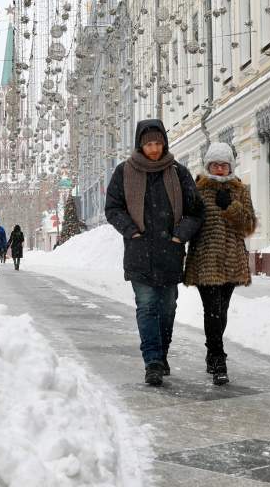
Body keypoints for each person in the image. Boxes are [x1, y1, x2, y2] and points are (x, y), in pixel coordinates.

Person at [105, 119, 204, 387]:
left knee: (168, 308)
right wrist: (131, 231)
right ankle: (153, 362)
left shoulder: (177, 172)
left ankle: (161, 354)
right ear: (141, 144)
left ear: (164, 143)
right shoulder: (124, 172)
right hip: (139, 253)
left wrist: (179, 235)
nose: (154, 149)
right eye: (149, 144)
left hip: (170, 252)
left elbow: (196, 211)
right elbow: (113, 208)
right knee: (147, 306)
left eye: (158, 143)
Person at [184, 142, 257, 386]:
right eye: (215, 164)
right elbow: (189, 221)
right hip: (206, 260)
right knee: (212, 311)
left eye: (224, 164)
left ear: (230, 166)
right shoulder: (198, 190)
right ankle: (218, 360)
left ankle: (211, 350)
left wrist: (231, 207)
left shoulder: (240, 190)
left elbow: (248, 225)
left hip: (232, 261)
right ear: (207, 166)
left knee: (221, 312)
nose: (219, 168)